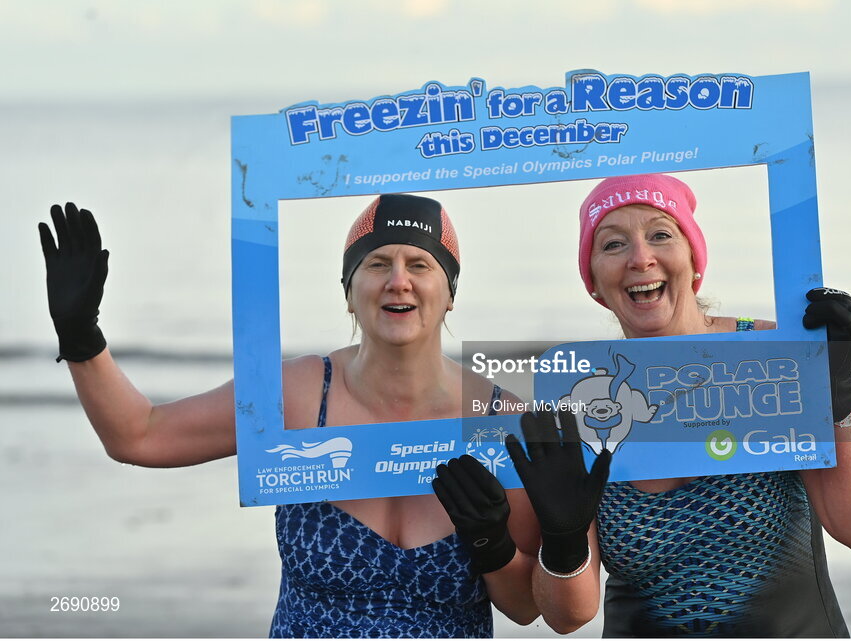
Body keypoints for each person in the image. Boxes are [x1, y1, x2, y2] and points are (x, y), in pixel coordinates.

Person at [37, 195, 543, 638]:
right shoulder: (300, 395)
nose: (397, 281)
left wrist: (490, 541)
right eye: (377, 263)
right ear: (348, 289)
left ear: (450, 291)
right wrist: (81, 336)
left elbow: (524, 608)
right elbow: (140, 436)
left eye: (420, 264)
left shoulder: (499, 420)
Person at [513, 173, 851, 637]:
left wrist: (838, 390)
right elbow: (566, 616)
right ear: (594, 280)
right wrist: (562, 538)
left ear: (694, 259)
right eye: (613, 245)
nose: (640, 258)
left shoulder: (768, 355)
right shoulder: (579, 395)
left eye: (660, 235)